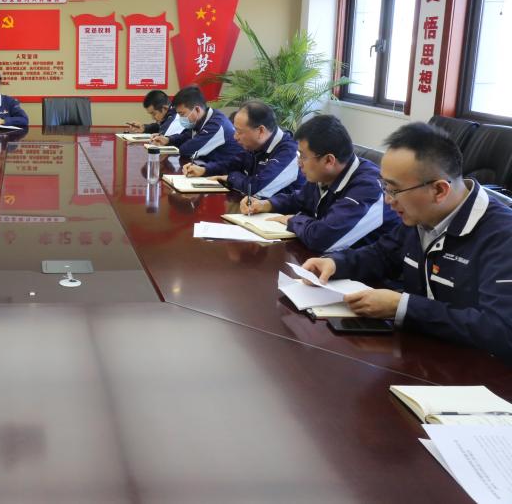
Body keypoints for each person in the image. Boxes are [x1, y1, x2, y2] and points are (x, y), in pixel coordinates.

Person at [302, 122, 512, 364]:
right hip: (421, 356)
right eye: (385, 187)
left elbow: (500, 329)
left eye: (394, 190)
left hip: (478, 373)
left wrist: (403, 307)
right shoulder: (420, 215)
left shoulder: (502, 235)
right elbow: (382, 255)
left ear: (439, 190)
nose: (387, 200)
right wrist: (336, 263)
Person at [240, 114, 400, 252]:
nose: (299, 163)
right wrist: (266, 204)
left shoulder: (368, 187)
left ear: (329, 160)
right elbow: (299, 199)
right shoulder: (324, 175)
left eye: (303, 156)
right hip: (330, 262)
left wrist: (292, 220)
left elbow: (322, 238)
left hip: (370, 273)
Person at [185, 100, 303, 199]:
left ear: (261, 131)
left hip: (282, 216)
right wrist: (204, 169)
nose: (235, 137)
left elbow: (256, 189)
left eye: (239, 132)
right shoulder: (256, 145)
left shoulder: (289, 152)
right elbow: (232, 164)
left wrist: (230, 177)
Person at [151, 85, 240, 164]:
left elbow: (187, 150)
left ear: (197, 110)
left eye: (182, 114)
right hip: (208, 167)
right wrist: (167, 140)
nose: (180, 118)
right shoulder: (200, 120)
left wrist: (172, 146)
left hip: (226, 173)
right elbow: (186, 136)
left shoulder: (216, 124)